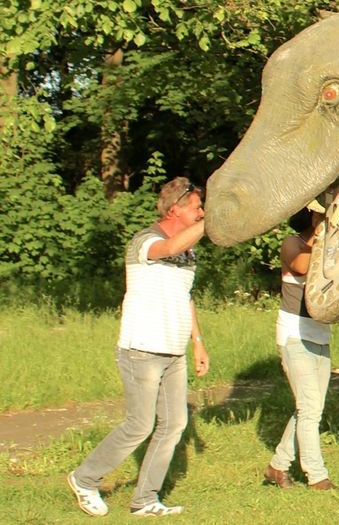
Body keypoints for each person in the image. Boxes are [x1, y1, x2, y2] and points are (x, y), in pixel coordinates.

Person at [68, 178, 209, 518]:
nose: (201, 213)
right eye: (196, 208)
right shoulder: (146, 241)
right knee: (139, 425)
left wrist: (197, 342)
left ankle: (145, 500)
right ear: (174, 209)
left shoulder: (188, 252)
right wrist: (211, 222)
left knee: (174, 424)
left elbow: (184, 297)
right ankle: (85, 478)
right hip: (142, 349)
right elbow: (169, 248)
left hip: (173, 350)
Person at [264, 207, 335, 491]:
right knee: (309, 409)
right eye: (321, 216)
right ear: (310, 217)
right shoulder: (292, 243)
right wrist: (319, 236)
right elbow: (302, 267)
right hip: (294, 334)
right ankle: (317, 476)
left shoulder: (327, 246)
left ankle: (277, 467)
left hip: (320, 335)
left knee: (310, 408)